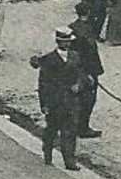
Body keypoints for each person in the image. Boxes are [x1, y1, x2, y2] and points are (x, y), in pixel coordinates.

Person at [30, 29, 90, 170]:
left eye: (69, 42)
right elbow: (43, 83)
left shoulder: (76, 57)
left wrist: (79, 85)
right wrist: (44, 104)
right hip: (55, 101)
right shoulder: (49, 59)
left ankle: (69, 160)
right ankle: (48, 151)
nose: (67, 44)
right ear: (58, 42)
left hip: (71, 100)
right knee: (52, 129)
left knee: (70, 131)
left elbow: (83, 75)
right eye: (64, 42)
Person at [69, 3, 105, 138]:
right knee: (88, 100)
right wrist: (93, 73)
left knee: (75, 98)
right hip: (86, 70)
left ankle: (74, 125)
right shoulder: (88, 30)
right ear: (88, 13)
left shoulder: (72, 27)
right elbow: (91, 53)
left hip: (73, 69)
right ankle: (83, 128)